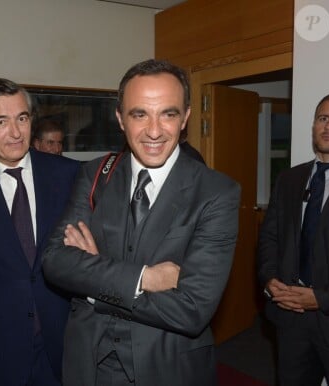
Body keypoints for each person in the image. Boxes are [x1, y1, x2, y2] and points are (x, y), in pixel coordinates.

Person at [42, 59, 241, 386]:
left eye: (168, 113)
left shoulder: (217, 192)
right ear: (120, 118)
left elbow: (192, 310)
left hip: (168, 368)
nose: (153, 130)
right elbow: (55, 261)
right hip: (89, 365)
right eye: (140, 114)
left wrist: (95, 288)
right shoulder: (95, 175)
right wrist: (145, 277)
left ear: (186, 117)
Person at [0, 78, 80, 386]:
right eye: (1, 121)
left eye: (22, 118)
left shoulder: (69, 176)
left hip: (63, 345)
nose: (16, 132)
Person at [258, 91, 329, 386]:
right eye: (323, 118)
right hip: (291, 317)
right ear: (314, 125)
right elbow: (269, 237)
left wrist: (322, 298)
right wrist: (269, 279)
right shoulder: (289, 179)